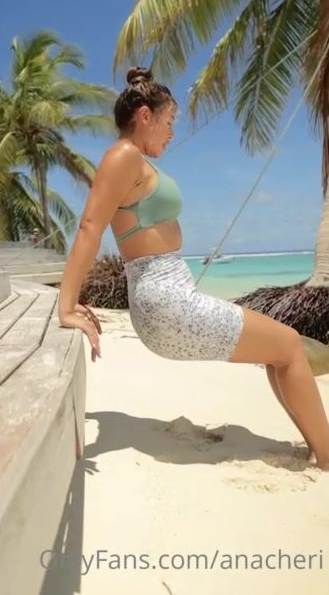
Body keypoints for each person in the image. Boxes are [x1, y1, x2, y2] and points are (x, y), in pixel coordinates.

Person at [58, 66, 329, 471]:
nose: (172, 133)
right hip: (166, 302)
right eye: (168, 121)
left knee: (282, 350)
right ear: (145, 116)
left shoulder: (134, 161)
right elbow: (89, 228)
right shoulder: (123, 155)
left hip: (169, 298)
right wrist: (66, 305)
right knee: (290, 346)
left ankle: (319, 447)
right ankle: (327, 456)